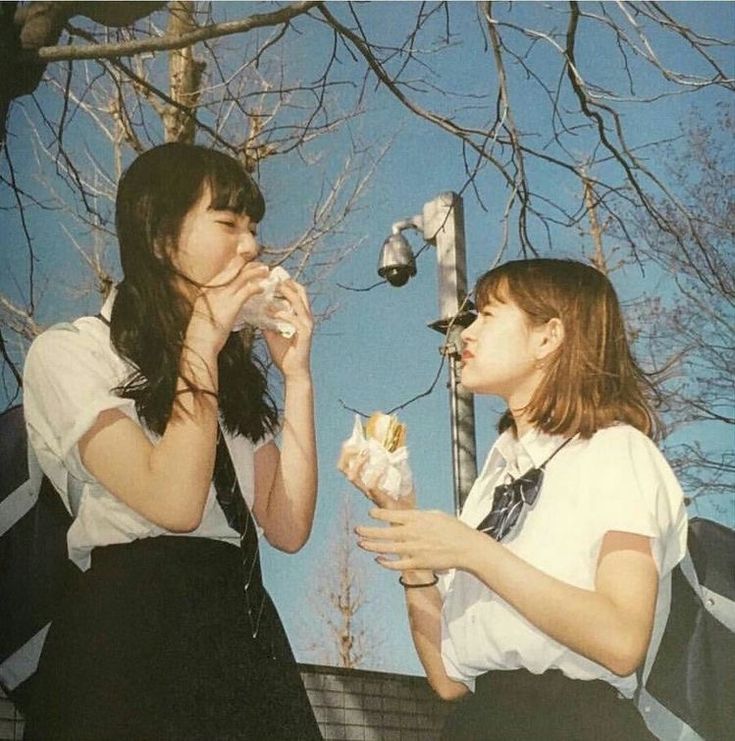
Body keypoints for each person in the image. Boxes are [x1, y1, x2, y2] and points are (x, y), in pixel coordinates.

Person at [22, 142, 322, 740]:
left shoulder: (225, 370)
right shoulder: (72, 352)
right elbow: (174, 502)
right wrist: (203, 342)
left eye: (254, 228)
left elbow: (286, 526)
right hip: (128, 628)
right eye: (229, 223)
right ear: (161, 238)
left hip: (240, 624)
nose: (251, 247)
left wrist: (297, 377)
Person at [339, 258, 688, 740]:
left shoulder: (617, 451)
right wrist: (408, 532)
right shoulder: (500, 472)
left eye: (488, 314)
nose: (466, 334)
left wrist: (473, 550)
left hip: (575, 727)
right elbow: (448, 679)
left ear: (548, 337)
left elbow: (621, 637)